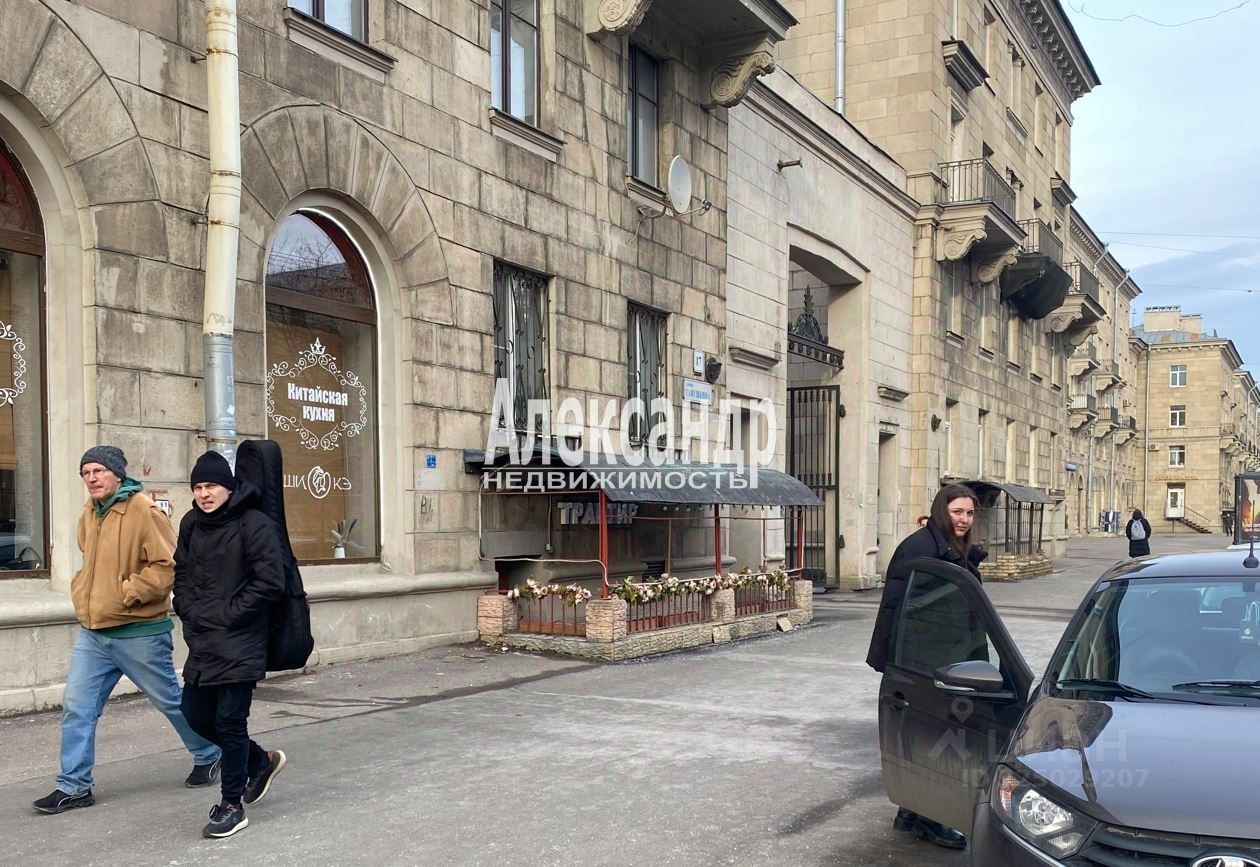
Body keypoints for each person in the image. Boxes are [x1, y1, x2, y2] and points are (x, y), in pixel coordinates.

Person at [33, 447, 222, 815]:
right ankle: (74, 786)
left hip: (139, 632)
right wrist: (84, 591)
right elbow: (91, 563)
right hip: (94, 633)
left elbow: (168, 565)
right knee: (77, 708)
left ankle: (209, 751)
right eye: (85, 472)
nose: (91, 478)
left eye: (98, 470)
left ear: (117, 474)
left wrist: (127, 593)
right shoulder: (90, 512)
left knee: (171, 701)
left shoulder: (143, 511)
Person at [866, 484, 987, 851]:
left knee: (929, 737)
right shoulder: (922, 550)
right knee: (938, 741)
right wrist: (921, 670)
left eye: (969, 513)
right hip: (929, 665)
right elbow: (905, 613)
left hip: (942, 660)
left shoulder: (947, 547)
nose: (964, 519)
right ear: (940, 512)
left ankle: (911, 812)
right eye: (957, 512)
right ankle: (931, 818)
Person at [174, 451, 288, 838]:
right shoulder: (191, 523)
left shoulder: (254, 523)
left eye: (212, 486)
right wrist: (185, 607)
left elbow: (270, 582)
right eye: (198, 487)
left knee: (229, 721)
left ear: (228, 487)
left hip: (241, 638)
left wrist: (229, 614)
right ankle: (259, 762)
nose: (204, 494)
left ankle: (231, 805)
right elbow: (181, 570)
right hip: (203, 639)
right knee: (194, 715)